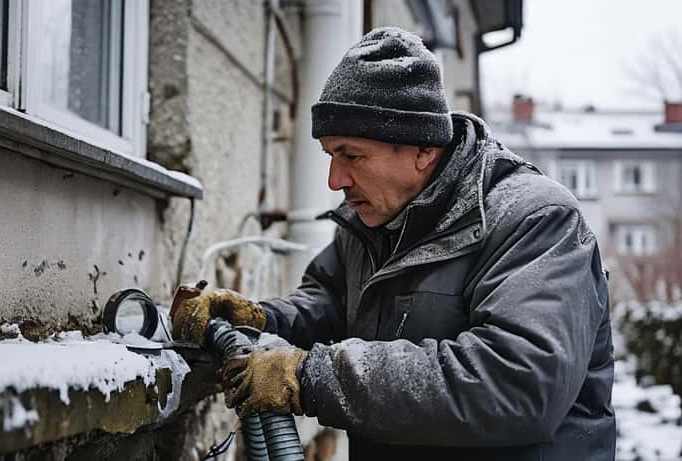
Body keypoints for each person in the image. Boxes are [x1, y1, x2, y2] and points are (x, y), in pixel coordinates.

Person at [172, 27, 615, 460]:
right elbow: (332, 304)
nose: (335, 180)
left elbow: (517, 383)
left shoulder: (535, 221)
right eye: (330, 155)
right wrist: (262, 318)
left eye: (352, 155)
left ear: (422, 148)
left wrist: (309, 376)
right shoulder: (377, 219)